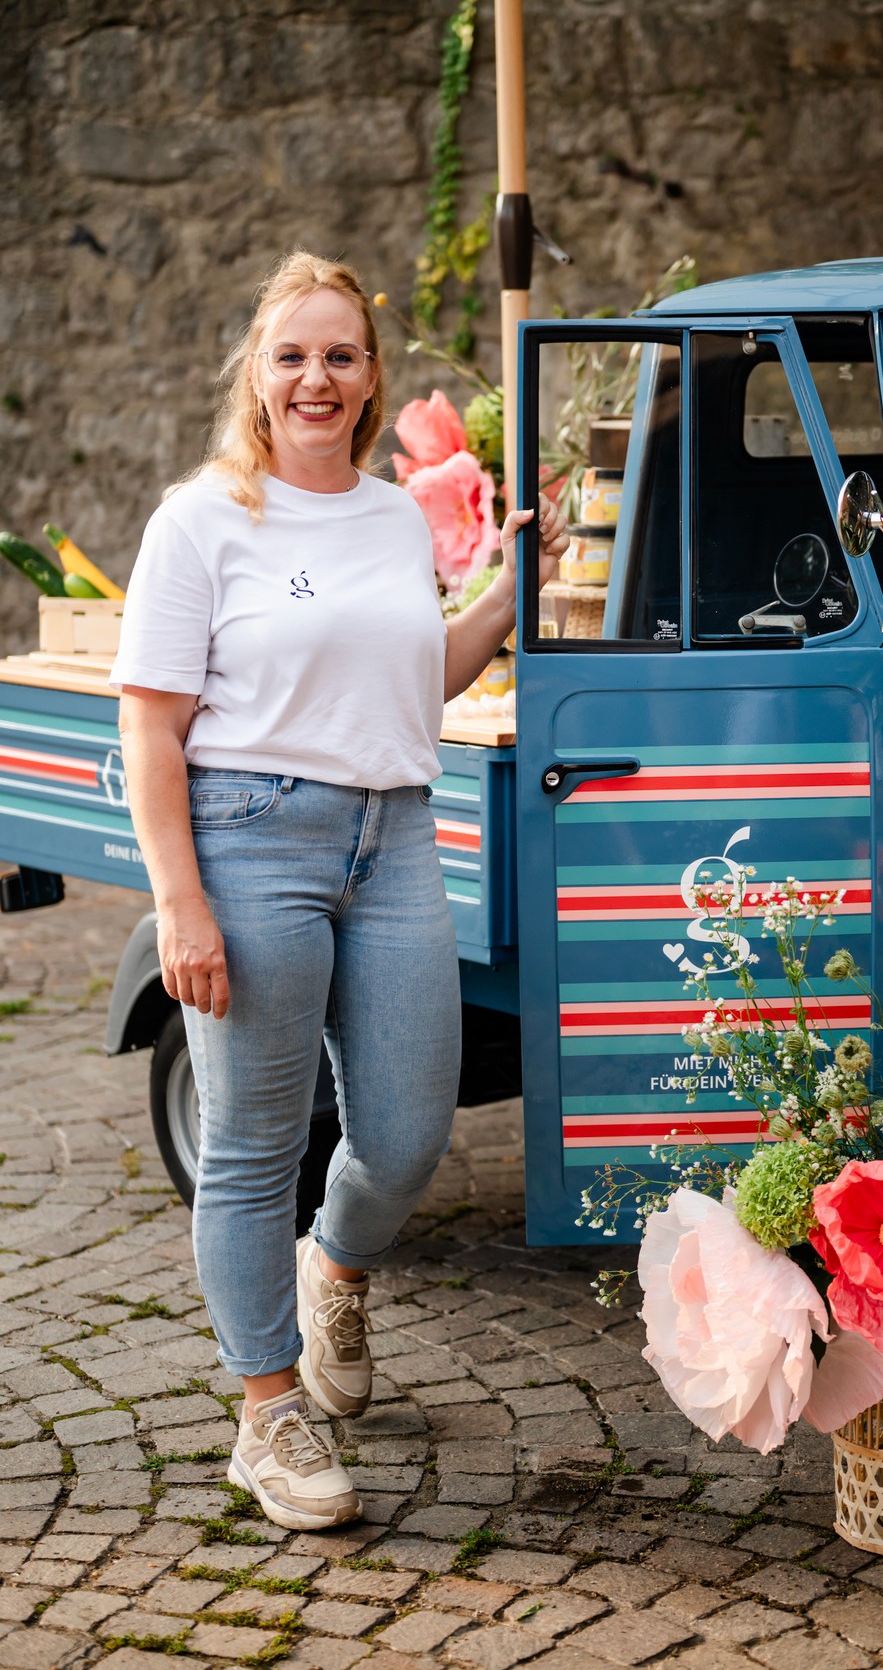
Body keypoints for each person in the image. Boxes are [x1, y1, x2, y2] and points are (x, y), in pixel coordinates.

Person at [113, 250, 567, 1531]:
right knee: (257, 1146)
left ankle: (338, 1265)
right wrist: (181, 904)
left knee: (414, 1125)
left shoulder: (387, 515)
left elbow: (411, 684)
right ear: (257, 374)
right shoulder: (202, 517)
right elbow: (152, 728)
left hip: (395, 837)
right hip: (248, 834)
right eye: (293, 354)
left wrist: (507, 588)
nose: (319, 376)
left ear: (372, 379)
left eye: (344, 355)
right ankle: (269, 1412)